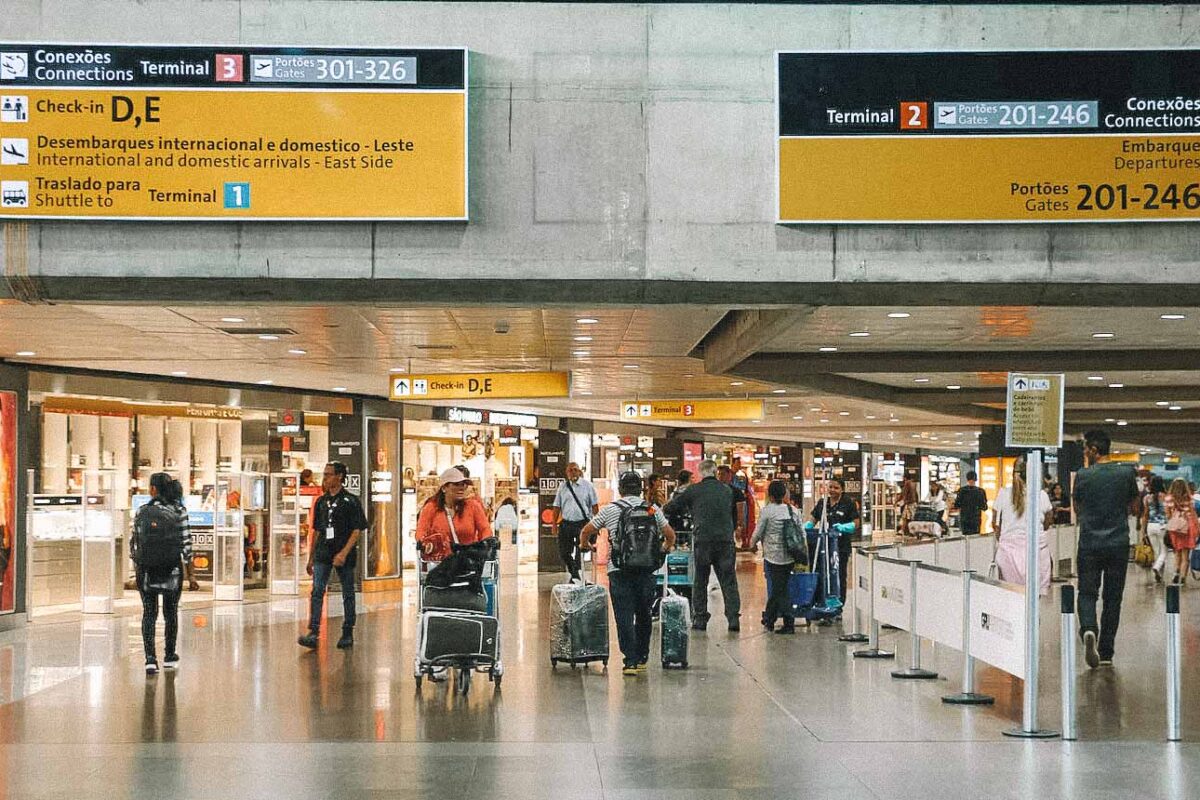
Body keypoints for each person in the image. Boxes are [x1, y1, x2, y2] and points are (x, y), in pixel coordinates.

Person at [579, 472, 675, 675]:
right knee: (644, 614)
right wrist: (664, 549)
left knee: (624, 616)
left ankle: (629, 661)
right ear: (640, 489)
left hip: (619, 570)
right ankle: (642, 657)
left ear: (621, 490)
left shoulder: (611, 510)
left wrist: (585, 545)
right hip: (647, 570)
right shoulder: (651, 509)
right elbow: (670, 535)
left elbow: (586, 530)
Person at [1073, 429, 1142, 669]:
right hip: (1118, 543)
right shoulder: (1126, 473)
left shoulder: (1082, 475)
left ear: (1093, 450)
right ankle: (1106, 652)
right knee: (1113, 598)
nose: (1084, 453)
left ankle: (1089, 628)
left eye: (1085, 449)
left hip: (1090, 543)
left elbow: (1078, 509)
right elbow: (1135, 507)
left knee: (1087, 592)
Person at [131, 473, 199, 675]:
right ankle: (169, 655)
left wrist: (137, 567)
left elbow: (135, 542)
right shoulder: (179, 511)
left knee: (149, 613)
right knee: (171, 613)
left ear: (153, 489)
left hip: (147, 569)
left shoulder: (142, 511)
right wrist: (192, 575)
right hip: (172, 569)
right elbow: (187, 545)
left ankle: (150, 659)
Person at [298, 461, 368, 651]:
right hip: (323, 553)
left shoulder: (351, 502)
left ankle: (347, 631)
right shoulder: (321, 502)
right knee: (317, 590)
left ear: (339, 477)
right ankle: (313, 631)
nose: (325, 478)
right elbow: (318, 531)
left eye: (329, 474)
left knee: (347, 592)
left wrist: (344, 552)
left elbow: (357, 530)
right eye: (325, 474)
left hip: (343, 553)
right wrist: (311, 557)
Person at [665, 460, 742, 631]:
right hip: (725, 541)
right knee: (728, 580)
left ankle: (700, 619)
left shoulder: (693, 490)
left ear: (700, 473)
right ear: (715, 472)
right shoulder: (727, 490)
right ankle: (733, 618)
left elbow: (671, 508)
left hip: (703, 541)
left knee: (700, 580)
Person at [992, 456, 1054, 595]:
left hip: (1008, 553)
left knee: (1011, 597)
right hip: (1036, 552)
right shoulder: (1041, 495)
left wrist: (1003, 538)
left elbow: (996, 523)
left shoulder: (1003, 493)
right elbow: (1048, 521)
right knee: (1034, 598)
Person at [414, 467, 494, 563]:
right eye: (456, 484)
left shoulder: (473, 506)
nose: (461, 487)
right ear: (444, 488)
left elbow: (485, 529)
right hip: (439, 565)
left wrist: (484, 546)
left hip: (467, 563)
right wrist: (426, 545)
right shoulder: (431, 508)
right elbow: (421, 532)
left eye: (464, 484)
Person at [751, 480, 799, 634]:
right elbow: (801, 533)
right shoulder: (793, 511)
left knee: (779, 589)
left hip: (773, 556)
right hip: (791, 555)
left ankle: (787, 621)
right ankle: (769, 619)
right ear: (784, 494)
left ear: (770, 495)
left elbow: (758, 532)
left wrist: (752, 544)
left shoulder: (767, 511)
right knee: (780, 586)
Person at [811, 477, 860, 604]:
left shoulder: (848, 503)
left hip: (841, 547)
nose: (832, 490)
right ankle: (822, 601)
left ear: (842, 490)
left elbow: (856, 522)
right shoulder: (823, 503)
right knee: (823, 574)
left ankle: (838, 604)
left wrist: (846, 527)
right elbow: (813, 518)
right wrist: (807, 527)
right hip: (824, 546)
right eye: (830, 487)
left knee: (838, 575)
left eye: (836, 488)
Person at [551, 462, 599, 581]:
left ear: (579, 471)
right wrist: (554, 524)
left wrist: (597, 524)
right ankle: (574, 571)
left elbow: (594, 506)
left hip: (582, 523)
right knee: (563, 552)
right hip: (566, 523)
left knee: (580, 550)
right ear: (567, 473)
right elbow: (557, 506)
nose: (572, 472)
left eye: (575, 470)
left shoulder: (588, 486)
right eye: (570, 470)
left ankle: (576, 575)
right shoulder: (563, 487)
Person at [1164, 477, 1198, 586]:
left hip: (1175, 529)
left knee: (1177, 553)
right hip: (1187, 528)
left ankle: (1176, 574)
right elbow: (1193, 514)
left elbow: (1168, 515)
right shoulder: (1189, 498)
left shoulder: (1168, 499)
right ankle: (1183, 578)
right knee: (1185, 555)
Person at [1141, 475, 1169, 584]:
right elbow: (1168, 513)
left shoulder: (1147, 498)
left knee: (1157, 551)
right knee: (1164, 551)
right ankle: (1157, 568)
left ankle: (1159, 576)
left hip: (1150, 526)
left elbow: (1145, 515)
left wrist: (1143, 531)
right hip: (1163, 526)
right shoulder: (1166, 497)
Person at [716, 465, 748, 552]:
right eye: (718, 474)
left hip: (730, 526)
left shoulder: (736, 492)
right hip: (716, 525)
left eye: (722, 474)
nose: (720, 477)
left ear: (729, 475)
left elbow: (740, 511)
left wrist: (740, 526)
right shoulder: (713, 491)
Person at [952, 471, 989, 536]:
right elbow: (984, 507)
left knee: (966, 537)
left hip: (964, 519)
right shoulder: (981, 491)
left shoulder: (961, 490)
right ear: (976, 479)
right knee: (975, 538)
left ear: (967, 479)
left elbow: (957, 505)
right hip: (976, 519)